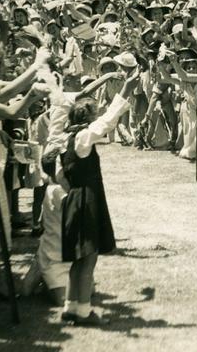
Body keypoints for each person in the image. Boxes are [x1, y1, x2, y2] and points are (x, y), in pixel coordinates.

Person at [59, 70, 139, 326]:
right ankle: (83, 311)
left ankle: (70, 306)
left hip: (74, 198)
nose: (98, 115)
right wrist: (126, 89)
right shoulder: (83, 138)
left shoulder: (67, 139)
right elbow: (108, 121)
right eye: (95, 112)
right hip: (86, 200)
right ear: (87, 118)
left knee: (78, 260)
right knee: (89, 257)